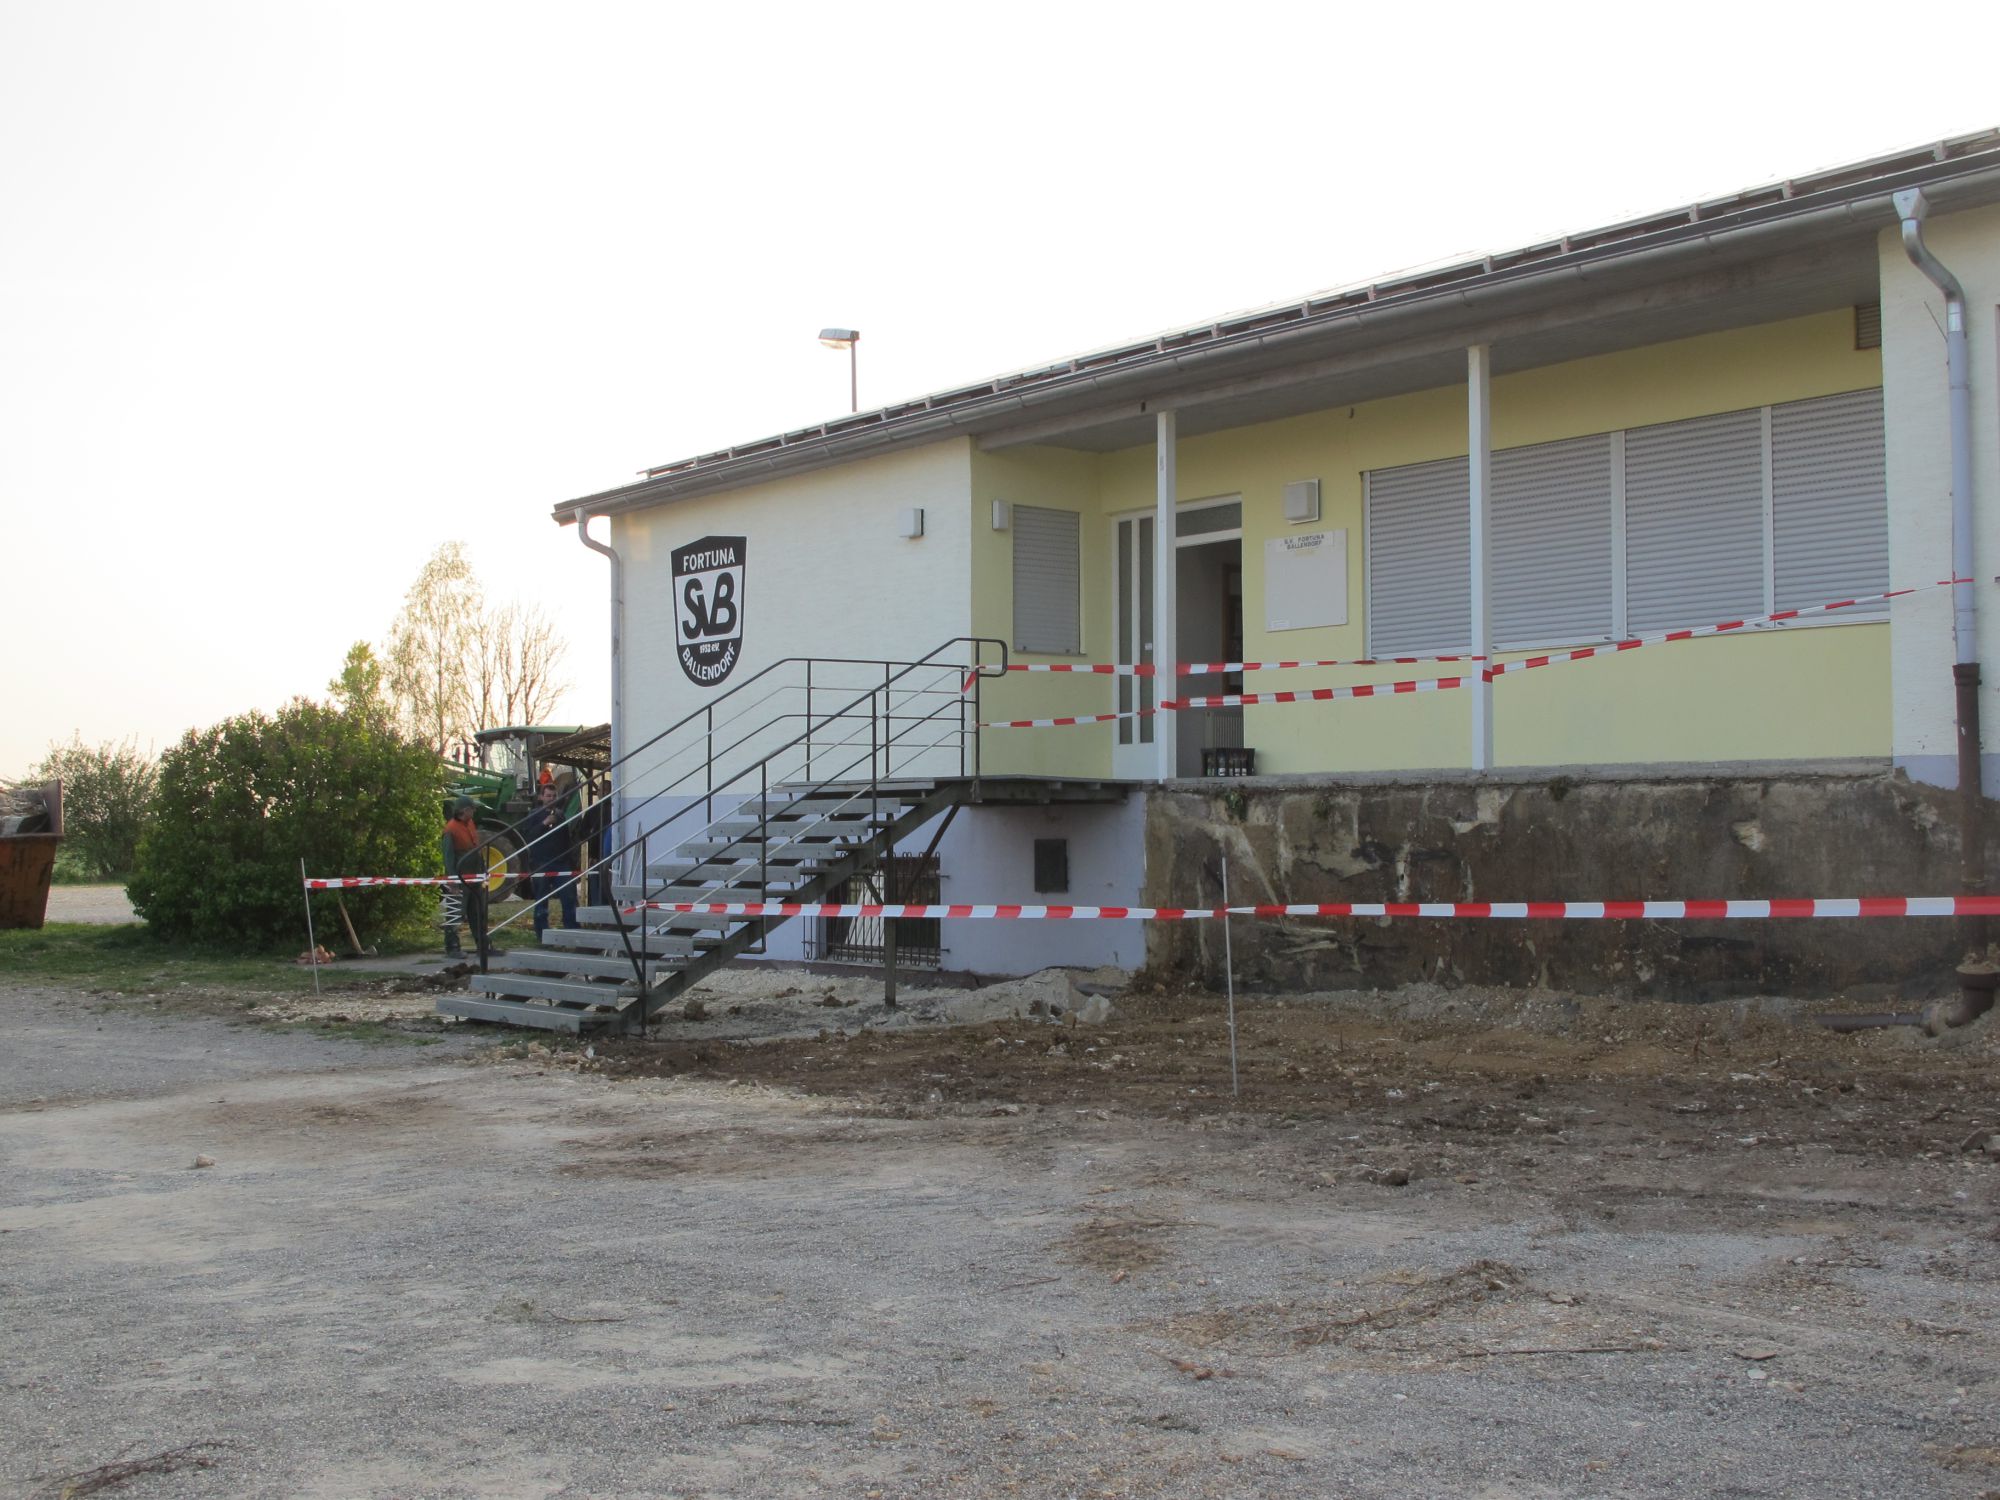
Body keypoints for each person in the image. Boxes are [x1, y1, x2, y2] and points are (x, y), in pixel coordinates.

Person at [520, 781, 578, 939]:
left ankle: (572, 930)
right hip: (541, 863)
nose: (551, 798)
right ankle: (542, 933)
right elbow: (528, 837)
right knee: (541, 898)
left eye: (554, 796)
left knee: (569, 897)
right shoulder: (533, 815)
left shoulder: (560, 815)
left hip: (561, 862)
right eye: (548, 796)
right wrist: (544, 824)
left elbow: (567, 838)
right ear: (541, 797)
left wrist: (571, 860)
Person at [439, 798, 485, 958]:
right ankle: (452, 947)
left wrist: (483, 871)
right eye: (472, 809)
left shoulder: (470, 823)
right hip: (460, 878)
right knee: (455, 912)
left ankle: (483, 945)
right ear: (465, 811)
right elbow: (448, 857)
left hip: (474, 876)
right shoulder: (450, 830)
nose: (474, 811)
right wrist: (452, 881)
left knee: (477, 912)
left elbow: (476, 848)